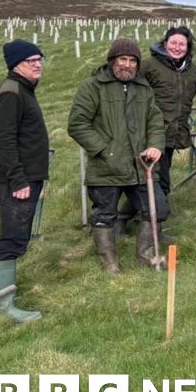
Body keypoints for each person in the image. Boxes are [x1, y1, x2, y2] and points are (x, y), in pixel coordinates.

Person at [68, 39, 167, 273]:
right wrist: (105, 150)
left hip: (141, 165)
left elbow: (155, 121)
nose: (128, 65)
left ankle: (147, 257)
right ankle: (110, 265)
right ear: (112, 61)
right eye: (122, 59)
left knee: (157, 208)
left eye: (133, 61)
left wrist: (155, 145)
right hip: (106, 167)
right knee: (104, 215)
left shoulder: (143, 89)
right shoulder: (93, 86)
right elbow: (77, 123)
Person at [0, 40, 48, 321]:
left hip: (24, 177)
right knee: (14, 238)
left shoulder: (22, 90)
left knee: (13, 236)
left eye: (40, 59)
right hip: (15, 181)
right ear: (15, 64)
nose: (37, 63)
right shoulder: (11, 93)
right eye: (30, 60)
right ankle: (2, 307)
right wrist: (18, 181)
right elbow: (4, 141)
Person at [140, 26, 196, 199]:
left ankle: (149, 217)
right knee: (153, 179)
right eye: (173, 42)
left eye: (182, 44)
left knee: (161, 178)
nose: (177, 47)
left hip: (173, 133)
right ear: (165, 43)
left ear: (188, 47)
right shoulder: (149, 65)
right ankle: (146, 217)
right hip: (150, 133)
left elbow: (189, 98)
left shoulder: (192, 71)